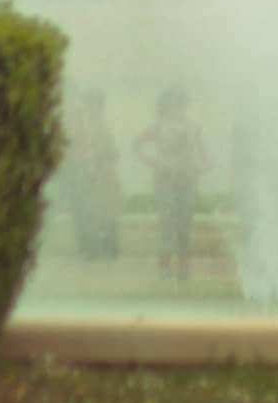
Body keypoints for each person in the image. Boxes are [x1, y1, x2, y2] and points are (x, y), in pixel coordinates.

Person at [136, 87, 209, 288]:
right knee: (166, 224)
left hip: (187, 181)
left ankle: (184, 268)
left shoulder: (194, 126)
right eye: (174, 103)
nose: (178, 108)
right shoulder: (158, 126)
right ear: (166, 106)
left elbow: (202, 152)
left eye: (181, 103)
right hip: (165, 181)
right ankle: (165, 268)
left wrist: (202, 166)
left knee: (184, 225)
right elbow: (138, 145)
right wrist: (154, 162)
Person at [70, 90, 125, 263]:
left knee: (105, 212)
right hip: (87, 175)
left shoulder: (104, 127)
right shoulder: (82, 128)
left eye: (93, 105)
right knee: (91, 212)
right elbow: (74, 150)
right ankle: (92, 248)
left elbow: (115, 153)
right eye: (88, 105)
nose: (89, 109)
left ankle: (108, 248)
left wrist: (101, 156)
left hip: (103, 176)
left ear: (99, 107)